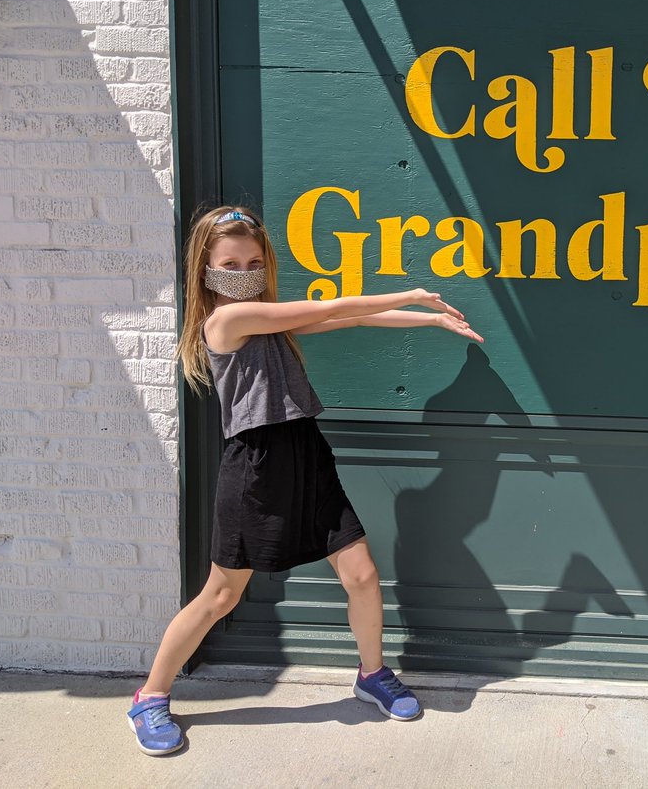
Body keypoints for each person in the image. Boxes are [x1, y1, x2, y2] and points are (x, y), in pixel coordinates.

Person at [126, 205, 484, 755]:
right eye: (229, 263)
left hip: (305, 452)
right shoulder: (225, 321)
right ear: (205, 270)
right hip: (256, 466)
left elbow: (352, 319)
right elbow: (336, 304)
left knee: (361, 575)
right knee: (221, 595)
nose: (242, 272)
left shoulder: (268, 317)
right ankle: (150, 697)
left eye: (252, 261)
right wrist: (409, 293)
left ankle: (371, 676)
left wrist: (431, 320)